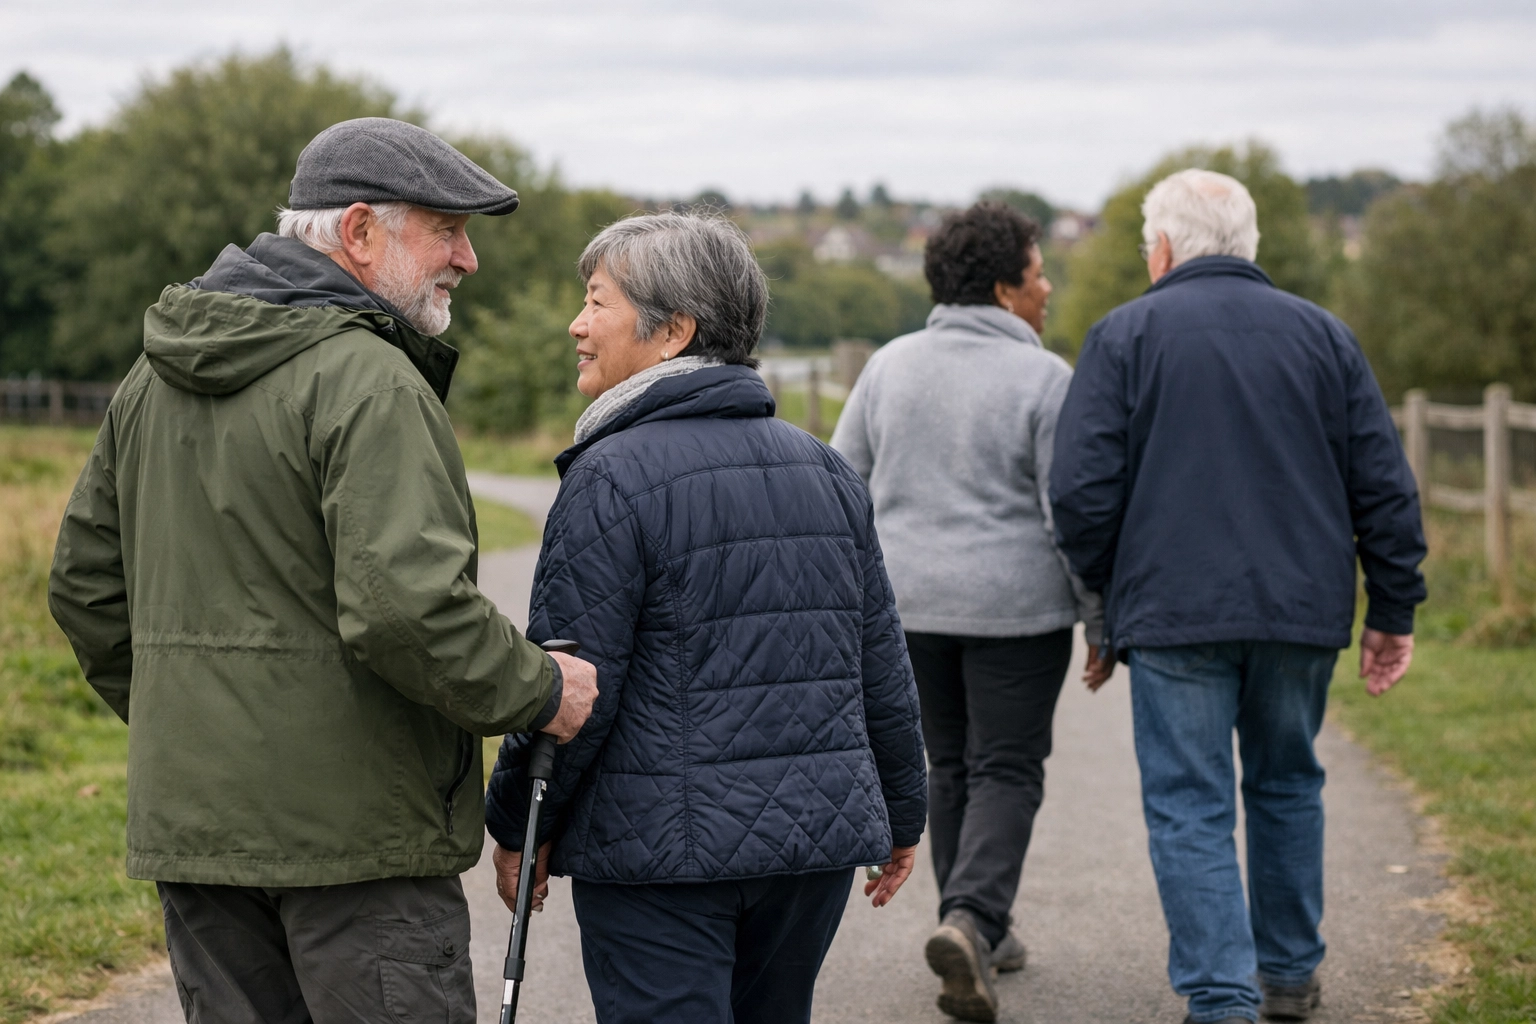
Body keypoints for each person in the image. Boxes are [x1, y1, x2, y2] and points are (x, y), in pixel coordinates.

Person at [47, 117, 599, 1024]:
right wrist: (541, 690)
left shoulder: (149, 383)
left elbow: (83, 589)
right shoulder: (371, 382)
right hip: (359, 853)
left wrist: (192, 727)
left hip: (199, 837)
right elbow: (408, 611)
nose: (467, 259)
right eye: (447, 230)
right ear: (359, 231)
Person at [485, 211, 928, 1024]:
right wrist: (904, 812)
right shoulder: (825, 467)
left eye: (596, 302)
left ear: (673, 332)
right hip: (809, 852)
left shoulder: (610, 476)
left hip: (658, 861)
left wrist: (519, 822)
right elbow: (880, 665)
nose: (577, 326)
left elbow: (573, 682)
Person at [1050, 169, 1426, 1024]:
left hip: (1175, 613)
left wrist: (1107, 595)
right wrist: (1394, 610)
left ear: (1164, 250)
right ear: (1249, 245)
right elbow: (1384, 489)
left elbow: (1079, 492)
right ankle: (1288, 975)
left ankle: (1222, 996)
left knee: (1190, 801)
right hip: (1302, 610)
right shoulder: (1326, 337)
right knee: (1288, 782)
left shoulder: (1123, 336)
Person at [830, 200, 1105, 1022]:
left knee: (948, 765)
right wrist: (1101, 617)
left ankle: (976, 924)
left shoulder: (889, 366)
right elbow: (1073, 515)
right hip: (1016, 612)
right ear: (1003, 288)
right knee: (1008, 768)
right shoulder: (1047, 379)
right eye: (1038, 270)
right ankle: (975, 921)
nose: (1048, 285)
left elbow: (844, 486)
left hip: (909, 608)